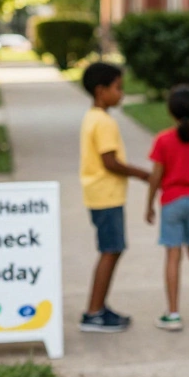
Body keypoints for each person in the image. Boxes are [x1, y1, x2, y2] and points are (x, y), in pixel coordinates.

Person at [79, 62, 150, 333]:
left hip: (100, 195)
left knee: (112, 249)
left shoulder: (92, 117)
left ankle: (99, 307)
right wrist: (143, 174)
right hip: (106, 196)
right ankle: (94, 312)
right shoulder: (104, 122)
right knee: (110, 250)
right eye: (118, 88)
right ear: (101, 90)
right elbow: (110, 162)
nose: (121, 94)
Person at [145, 85, 189, 332]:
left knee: (173, 257)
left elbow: (156, 176)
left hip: (172, 202)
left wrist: (149, 204)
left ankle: (173, 314)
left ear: (170, 110)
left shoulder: (163, 140)